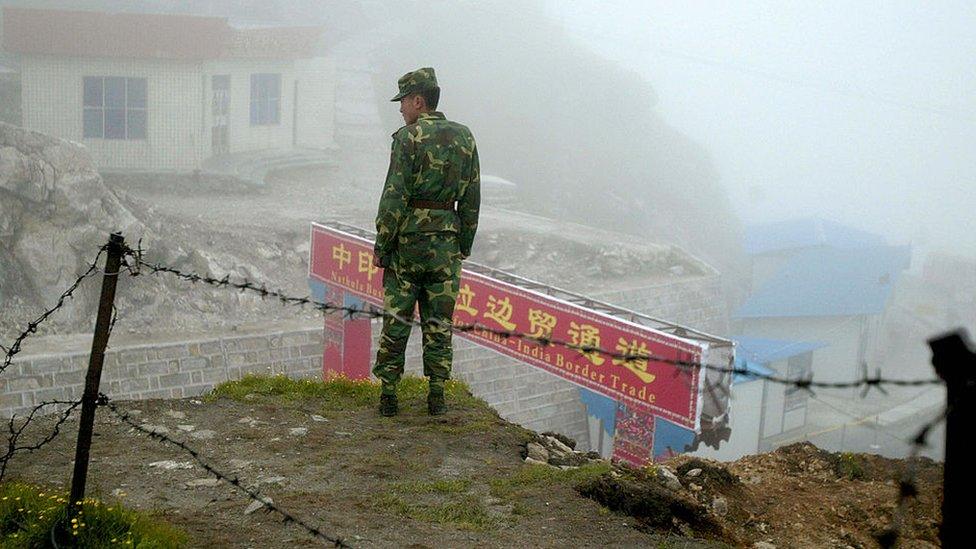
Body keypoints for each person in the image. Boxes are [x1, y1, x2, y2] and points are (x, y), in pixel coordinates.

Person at [371, 67, 480, 417]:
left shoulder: (408, 139)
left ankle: (389, 394)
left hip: (408, 246)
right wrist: (463, 244)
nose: (401, 109)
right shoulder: (465, 138)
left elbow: (393, 200)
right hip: (446, 248)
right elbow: (472, 200)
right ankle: (436, 393)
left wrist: (382, 246)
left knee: (397, 319)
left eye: (403, 101)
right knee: (439, 322)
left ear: (418, 100)